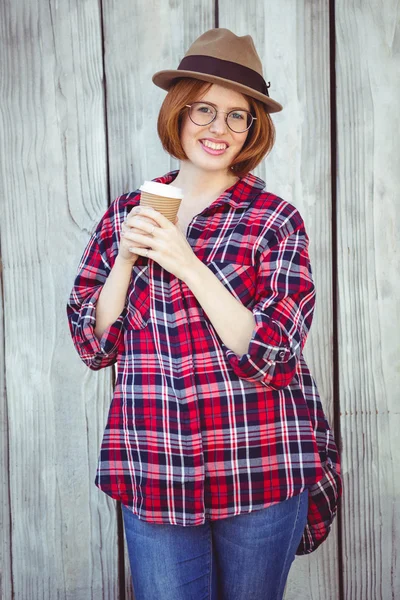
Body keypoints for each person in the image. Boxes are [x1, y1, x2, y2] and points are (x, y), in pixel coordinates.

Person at [67, 28, 342, 600]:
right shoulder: (128, 212)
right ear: (179, 111)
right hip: (155, 465)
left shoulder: (274, 220)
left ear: (252, 130)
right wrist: (125, 256)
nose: (218, 128)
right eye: (205, 110)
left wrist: (188, 262)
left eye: (236, 116)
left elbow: (273, 353)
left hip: (259, 461)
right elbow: (94, 345)